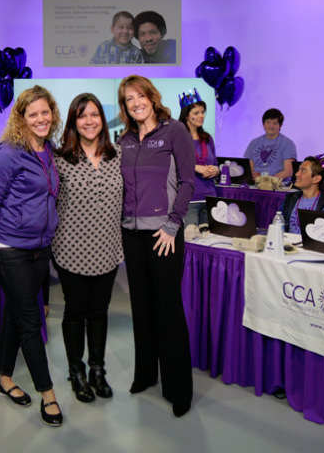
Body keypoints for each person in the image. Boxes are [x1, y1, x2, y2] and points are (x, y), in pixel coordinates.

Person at [0, 85, 64, 427]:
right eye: (33, 114)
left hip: (40, 250)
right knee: (31, 321)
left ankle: (4, 377)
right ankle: (48, 394)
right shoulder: (8, 153)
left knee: (16, 315)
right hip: (11, 249)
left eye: (45, 112)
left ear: (52, 114)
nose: (41, 119)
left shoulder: (49, 150)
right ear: (21, 118)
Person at [117, 74, 195, 417]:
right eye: (128, 99)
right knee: (142, 307)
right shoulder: (125, 139)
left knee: (168, 309)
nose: (135, 103)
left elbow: (188, 182)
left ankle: (179, 389)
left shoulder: (174, 130)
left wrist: (172, 225)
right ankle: (145, 374)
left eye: (139, 96)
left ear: (151, 96)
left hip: (164, 234)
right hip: (131, 234)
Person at [52, 93, 123, 403]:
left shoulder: (118, 154)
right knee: (75, 312)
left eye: (94, 114)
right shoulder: (60, 159)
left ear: (102, 120)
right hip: (70, 249)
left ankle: (97, 370)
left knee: (99, 312)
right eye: (82, 116)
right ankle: (76, 371)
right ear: (73, 122)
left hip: (108, 248)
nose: (89, 121)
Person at [178, 91, 218, 228]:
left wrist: (215, 170)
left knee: (209, 242)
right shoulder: (178, 138)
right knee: (191, 242)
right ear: (186, 115)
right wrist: (195, 167)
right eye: (196, 113)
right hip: (190, 200)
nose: (201, 116)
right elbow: (172, 167)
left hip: (210, 197)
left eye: (202, 112)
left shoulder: (207, 138)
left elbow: (216, 164)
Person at [278, 156, 324, 234]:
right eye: (298, 170)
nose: (296, 174)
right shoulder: (289, 199)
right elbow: (278, 227)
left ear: (316, 179)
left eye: (303, 171)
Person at [244, 108, 297, 180]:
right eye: (268, 122)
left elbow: (289, 171)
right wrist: (254, 176)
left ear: (280, 125)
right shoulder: (254, 143)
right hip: (255, 185)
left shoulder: (287, 144)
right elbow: (249, 169)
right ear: (263, 124)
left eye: (275, 123)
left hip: (278, 187)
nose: (271, 126)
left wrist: (266, 180)